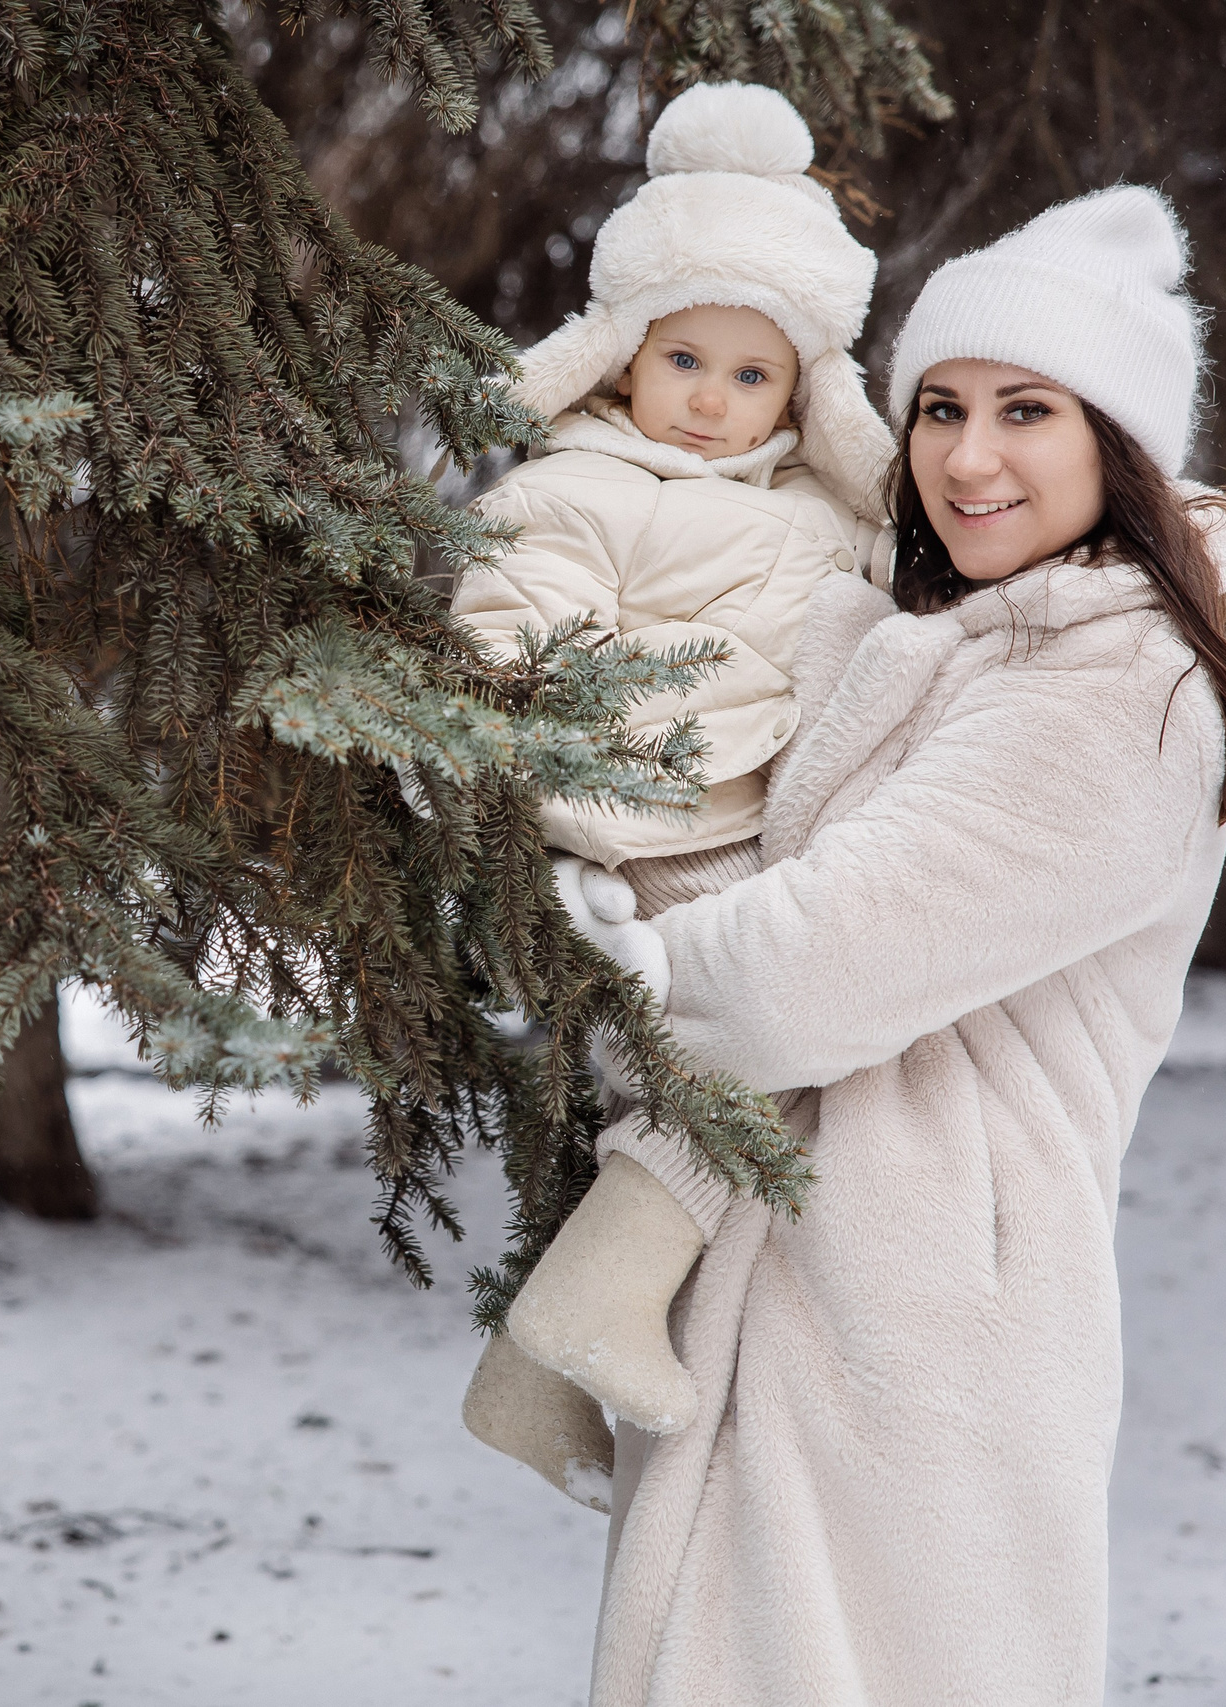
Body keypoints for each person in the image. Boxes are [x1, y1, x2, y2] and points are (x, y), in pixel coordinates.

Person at [520, 183, 1226, 1704]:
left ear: (1119, 447)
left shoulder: (1119, 692)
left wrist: (604, 971)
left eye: (1026, 410)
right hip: (810, 1273)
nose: (967, 456)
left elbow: (802, 974)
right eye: (937, 407)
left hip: (916, 1317)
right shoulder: (958, 649)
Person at [450, 81, 896, 1503]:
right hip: (647, 843)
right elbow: (513, 663)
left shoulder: (824, 518)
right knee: (774, 1060)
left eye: (752, 375)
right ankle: (577, 1317)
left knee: (792, 1067)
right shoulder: (569, 489)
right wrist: (609, 803)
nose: (711, 401)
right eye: (684, 358)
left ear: (807, 391)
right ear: (621, 356)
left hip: (765, 834)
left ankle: (539, 1368)